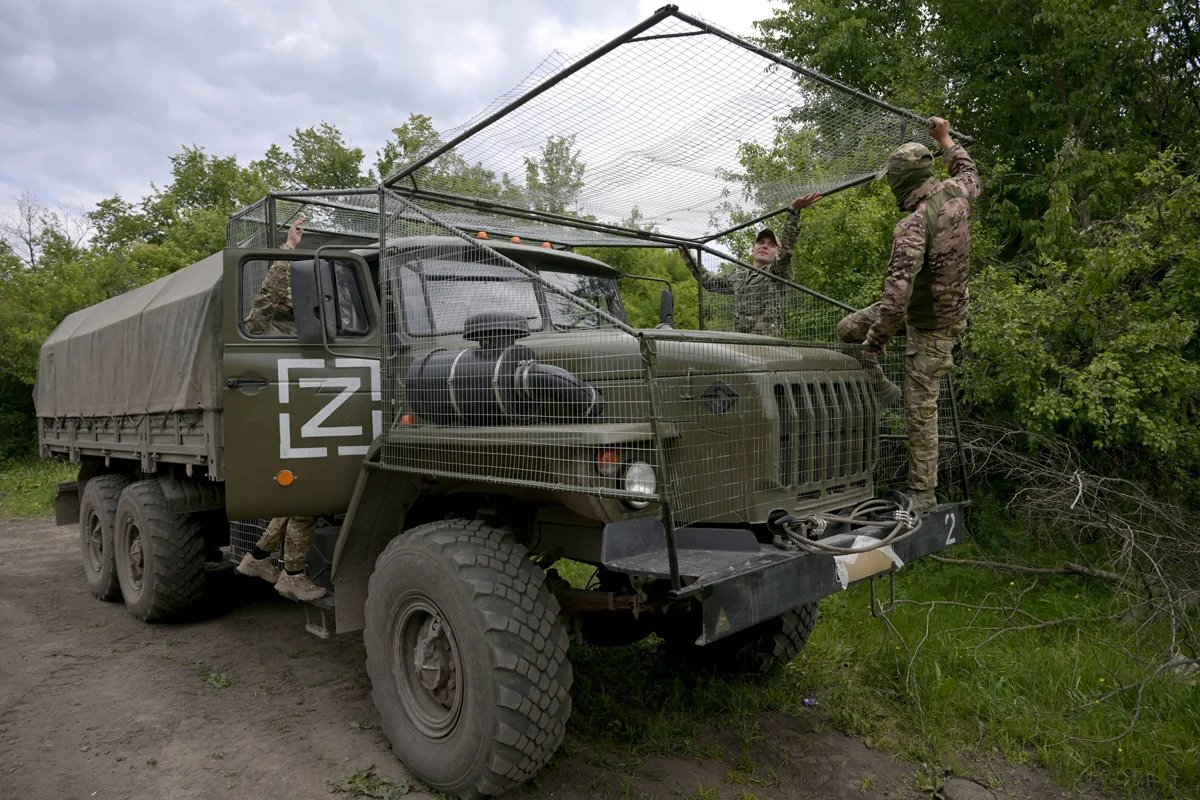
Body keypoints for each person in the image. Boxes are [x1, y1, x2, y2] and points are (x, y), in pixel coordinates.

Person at [836, 116, 981, 514]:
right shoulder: (958, 192)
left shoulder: (913, 226)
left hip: (932, 326)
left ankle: (922, 495)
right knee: (847, 328)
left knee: (920, 412)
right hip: (940, 309)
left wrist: (876, 343)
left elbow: (896, 300)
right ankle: (881, 386)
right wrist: (946, 139)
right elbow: (969, 170)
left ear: (900, 184)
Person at [236, 216, 326, 602]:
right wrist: (287, 251)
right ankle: (293, 574)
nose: (292, 303)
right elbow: (265, 300)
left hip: (303, 422)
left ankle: (257, 557)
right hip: (282, 424)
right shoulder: (262, 329)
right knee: (308, 501)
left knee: (299, 503)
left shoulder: (306, 336)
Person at [680, 192, 822, 336]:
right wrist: (688, 259)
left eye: (772, 245)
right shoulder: (739, 277)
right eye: (760, 243)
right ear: (752, 249)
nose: (765, 246)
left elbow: (786, 252)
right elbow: (709, 282)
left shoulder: (776, 273)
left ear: (777, 252)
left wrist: (793, 212)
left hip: (769, 345)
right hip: (743, 345)